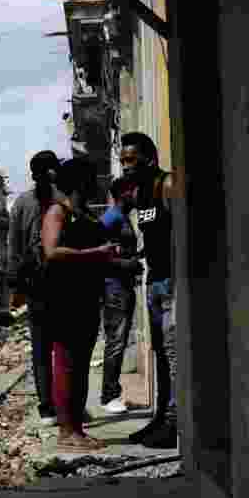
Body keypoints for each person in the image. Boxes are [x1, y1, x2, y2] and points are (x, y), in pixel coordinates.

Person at [40, 156, 119, 451]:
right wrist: (95, 253)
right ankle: (66, 432)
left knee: (81, 366)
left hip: (87, 298)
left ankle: (77, 429)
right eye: (91, 179)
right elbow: (52, 251)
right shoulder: (57, 212)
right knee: (66, 364)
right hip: (64, 299)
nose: (96, 184)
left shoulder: (84, 215)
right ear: (79, 183)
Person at [120, 131, 180, 449]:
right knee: (161, 355)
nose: (125, 166)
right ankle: (160, 418)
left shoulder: (165, 185)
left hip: (171, 283)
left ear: (149, 158)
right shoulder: (140, 193)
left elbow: (181, 233)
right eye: (122, 160)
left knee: (173, 353)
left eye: (131, 159)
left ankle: (174, 423)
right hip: (154, 283)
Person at [8, 150, 62, 426]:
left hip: (36, 283)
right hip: (59, 282)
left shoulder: (21, 203)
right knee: (62, 347)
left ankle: (47, 406)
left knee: (41, 349)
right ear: (53, 171)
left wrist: (17, 286)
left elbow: (14, 249)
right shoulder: (63, 199)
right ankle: (60, 403)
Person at [99, 177, 144, 415]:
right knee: (115, 342)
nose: (137, 194)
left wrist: (135, 258)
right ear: (124, 193)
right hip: (114, 289)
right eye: (134, 190)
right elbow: (100, 256)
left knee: (119, 341)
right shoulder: (111, 218)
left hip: (123, 287)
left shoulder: (123, 217)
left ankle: (112, 393)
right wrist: (128, 265)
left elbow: (120, 252)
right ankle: (109, 396)